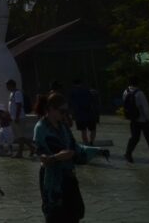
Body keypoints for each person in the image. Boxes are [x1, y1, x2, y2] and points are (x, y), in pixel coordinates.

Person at [34, 92, 109, 223]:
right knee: (55, 215)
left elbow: (75, 147)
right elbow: (43, 157)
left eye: (67, 111)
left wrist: (96, 151)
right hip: (52, 179)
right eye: (62, 111)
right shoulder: (40, 128)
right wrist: (58, 157)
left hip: (68, 175)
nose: (65, 115)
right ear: (51, 109)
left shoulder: (63, 127)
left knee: (74, 215)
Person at [7, 79, 34, 157]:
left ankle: (20, 153)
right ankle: (32, 147)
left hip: (19, 118)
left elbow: (19, 105)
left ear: (11, 85)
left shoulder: (17, 93)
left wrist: (17, 117)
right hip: (14, 118)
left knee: (20, 137)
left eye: (7, 86)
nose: (7, 87)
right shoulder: (12, 93)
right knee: (20, 136)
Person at [67, 79, 97, 146]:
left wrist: (71, 113)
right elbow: (92, 101)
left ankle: (86, 144)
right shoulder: (87, 90)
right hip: (90, 113)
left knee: (83, 131)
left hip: (79, 115)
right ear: (81, 83)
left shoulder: (72, 92)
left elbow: (70, 104)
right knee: (93, 129)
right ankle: (91, 142)